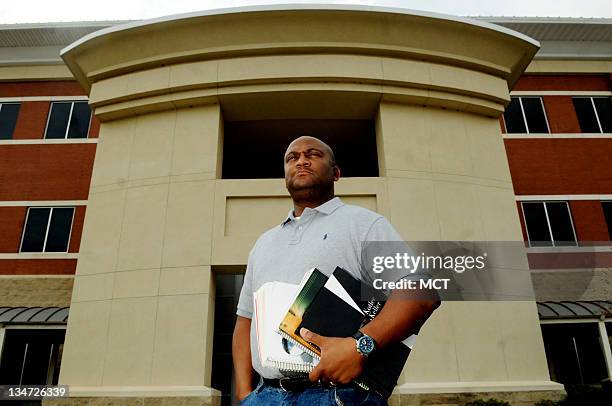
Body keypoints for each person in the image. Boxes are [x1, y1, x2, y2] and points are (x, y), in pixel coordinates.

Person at [232, 136, 440, 405]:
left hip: (337, 394)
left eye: (313, 154)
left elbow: (421, 292)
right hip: (264, 396)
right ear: (284, 175)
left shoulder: (363, 224)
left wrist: (360, 346)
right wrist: (244, 393)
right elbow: (244, 320)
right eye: (292, 158)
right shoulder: (263, 243)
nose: (302, 160)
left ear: (336, 173)